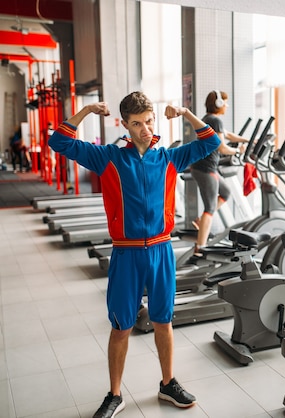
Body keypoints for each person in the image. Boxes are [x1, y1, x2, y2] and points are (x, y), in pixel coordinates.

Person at [49, 91, 221, 418]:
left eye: (149, 121)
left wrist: (185, 112)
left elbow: (210, 141)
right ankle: (114, 394)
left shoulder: (168, 157)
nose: (145, 129)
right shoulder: (109, 157)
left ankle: (168, 383)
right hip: (126, 254)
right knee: (121, 325)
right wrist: (86, 109)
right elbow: (60, 141)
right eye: (137, 123)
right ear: (125, 125)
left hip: (161, 250)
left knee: (163, 320)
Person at [188, 90, 248, 261]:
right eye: (225, 102)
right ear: (219, 104)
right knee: (209, 208)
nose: (227, 106)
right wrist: (238, 150)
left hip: (202, 167)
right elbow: (222, 147)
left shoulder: (208, 119)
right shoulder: (216, 120)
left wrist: (248, 141)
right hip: (207, 169)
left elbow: (228, 135)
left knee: (226, 192)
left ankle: (201, 222)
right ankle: (200, 249)